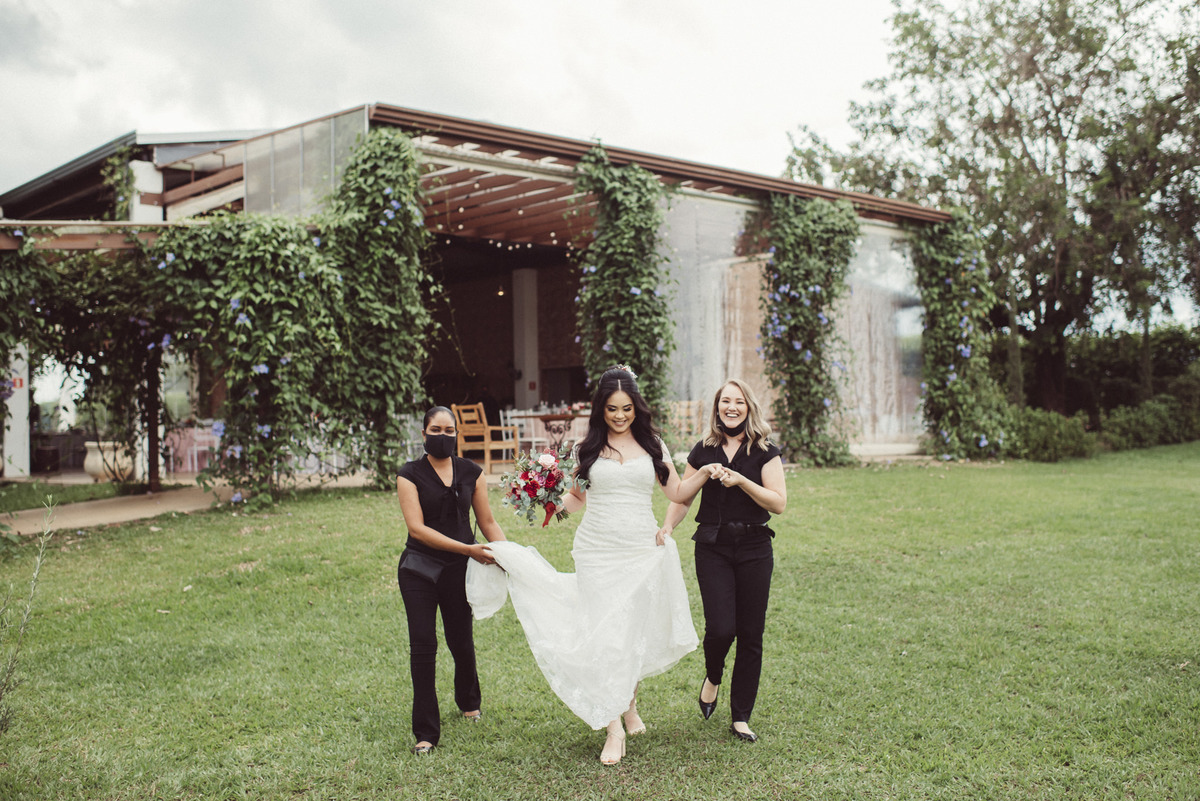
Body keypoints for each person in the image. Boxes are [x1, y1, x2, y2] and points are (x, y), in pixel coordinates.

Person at [471, 366, 710, 765]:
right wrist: (548, 507)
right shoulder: (590, 448)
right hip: (597, 551)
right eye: (613, 409)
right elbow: (577, 499)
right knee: (606, 635)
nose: (620, 416)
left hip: (638, 550)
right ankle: (614, 728)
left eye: (627, 408)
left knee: (628, 632)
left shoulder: (653, 445)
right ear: (601, 408)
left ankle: (629, 705)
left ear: (637, 408)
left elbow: (678, 491)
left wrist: (704, 472)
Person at [661, 379, 787, 743]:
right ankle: (713, 675)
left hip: (754, 548)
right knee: (720, 629)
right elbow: (683, 497)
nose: (731, 407)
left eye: (739, 402)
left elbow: (778, 503)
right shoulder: (704, 449)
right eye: (725, 402)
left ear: (749, 407)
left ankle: (741, 716)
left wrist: (742, 481)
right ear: (717, 408)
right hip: (712, 546)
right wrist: (667, 526)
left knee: (751, 634)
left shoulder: (765, 450)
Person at [396, 405, 507, 755]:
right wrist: (468, 549)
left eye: (448, 431)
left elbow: (487, 522)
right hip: (419, 568)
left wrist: (508, 555)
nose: (442, 436)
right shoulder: (408, 474)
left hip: (460, 570)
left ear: (457, 434)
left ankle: (468, 701)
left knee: (461, 641)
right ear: (424, 432)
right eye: (435, 430)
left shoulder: (472, 472)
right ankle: (426, 733)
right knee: (423, 645)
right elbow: (417, 528)